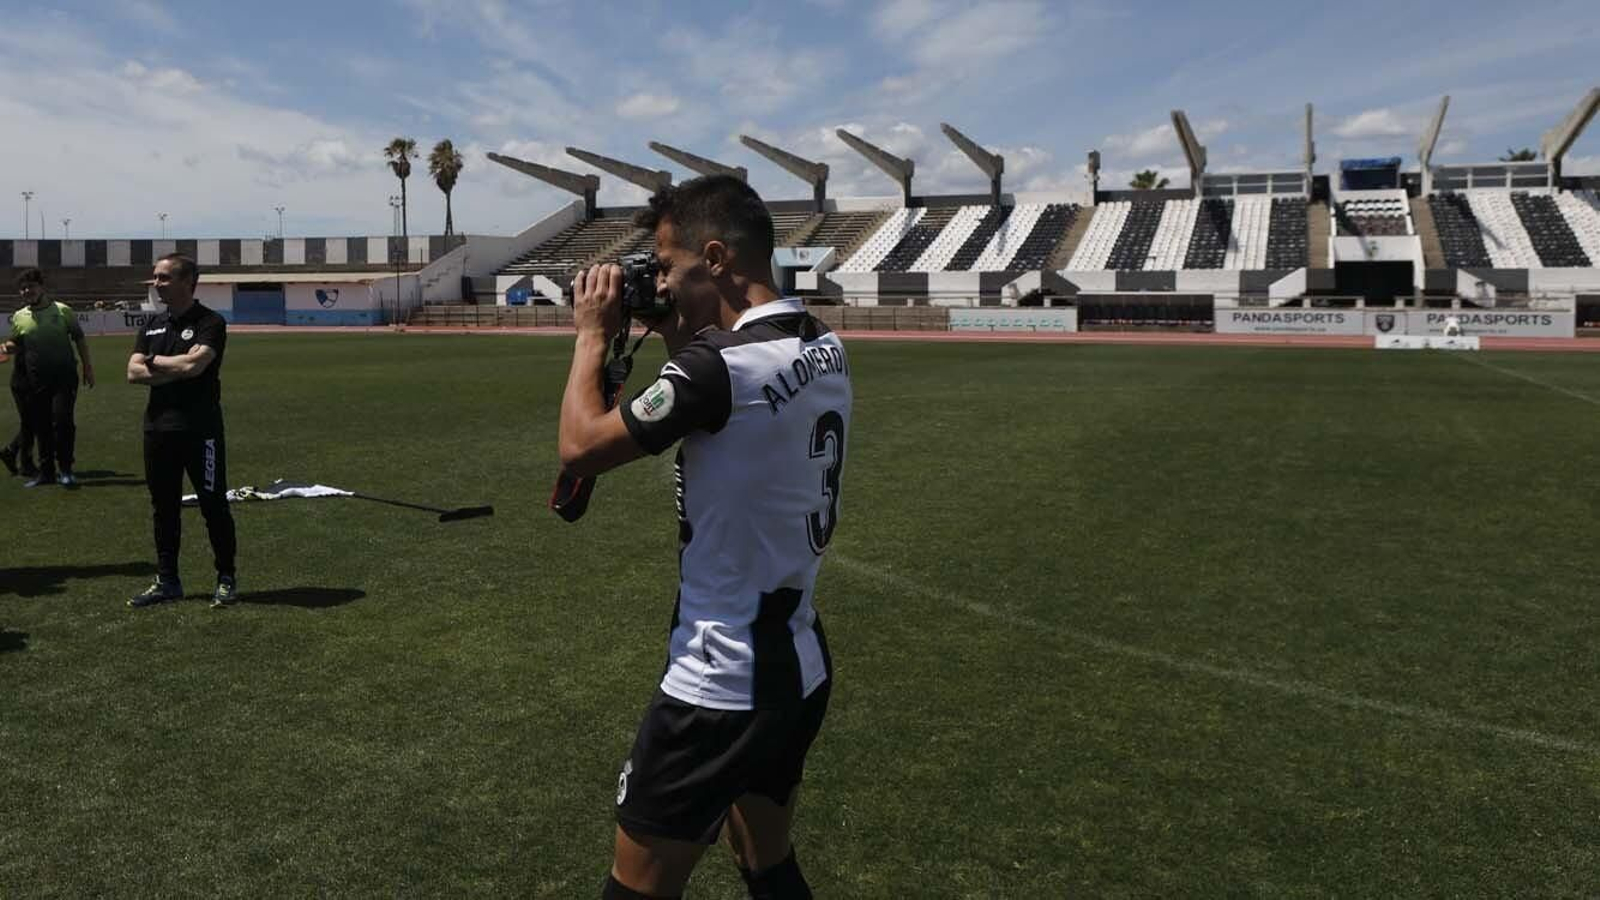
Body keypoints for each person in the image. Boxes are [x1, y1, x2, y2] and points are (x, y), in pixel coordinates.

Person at [558, 174, 852, 900]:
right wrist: (671, 326)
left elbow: (580, 448)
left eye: (667, 267)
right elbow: (720, 381)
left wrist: (593, 335)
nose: (657, 281)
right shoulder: (824, 342)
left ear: (716, 257)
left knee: (634, 891)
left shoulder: (719, 370)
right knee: (768, 864)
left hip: (718, 683)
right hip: (798, 663)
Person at [126, 253, 238, 609]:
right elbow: (132, 373)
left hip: (200, 430)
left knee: (213, 505)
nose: (156, 284)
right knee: (164, 508)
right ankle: (167, 580)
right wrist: (165, 365)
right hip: (158, 429)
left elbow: (194, 365)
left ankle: (226, 577)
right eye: (155, 277)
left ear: (188, 282)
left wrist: (153, 362)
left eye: (163, 278)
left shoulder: (210, 323)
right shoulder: (152, 326)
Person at [1, 268, 94, 487]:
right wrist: (6, 347)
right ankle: (46, 474)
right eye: (23, 288)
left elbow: (79, 339)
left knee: (62, 422)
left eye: (31, 286)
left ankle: (66, 470)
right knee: (42, 426)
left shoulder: (62, 311)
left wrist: (88, 367)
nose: (27, 291)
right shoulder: (19, 316)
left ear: (42, 287)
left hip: (64, 377)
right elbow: (16, 342)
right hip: (36, 379)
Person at [1, 341, 38, 479]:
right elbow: (9, 345)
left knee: (33, 423)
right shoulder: (26, 329)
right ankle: (26, 465)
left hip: (32, 382)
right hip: (24, 384)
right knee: (30, 424)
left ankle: (11, 451)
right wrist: (3, 349)